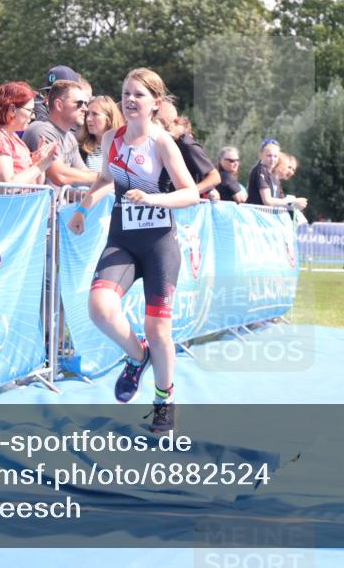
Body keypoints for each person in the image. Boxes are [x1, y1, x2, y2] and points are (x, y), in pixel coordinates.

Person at [67, 68, 198, 433]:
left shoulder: (161, 143)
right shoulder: (113, 137)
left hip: (158, 244)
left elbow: (191, 193)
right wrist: (83, 208)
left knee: (160, 331)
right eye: (125, 93)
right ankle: (137, 356)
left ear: (155, 103)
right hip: (123, 239)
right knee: (100, 309)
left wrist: (155, 198)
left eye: (138, 94)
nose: (129, 99)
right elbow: (107, 178)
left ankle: (164, 401)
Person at [0, 81, 59, 187]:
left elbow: (37, 183)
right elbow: (7, 186)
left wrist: (38, 162)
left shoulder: (14, 139)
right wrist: (40, 166)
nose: (33, 117)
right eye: (30, 110)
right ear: (12, 109)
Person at [22, 79, 98, 188]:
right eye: (80, 103)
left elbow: (83, 172)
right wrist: (103, 178)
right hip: (38, 204)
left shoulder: (70, 137)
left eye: (86, 103)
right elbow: (60, 176)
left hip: (57, 203)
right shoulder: (41, 130)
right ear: (59, 105)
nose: (85, 109)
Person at [159, 115, 220, 199]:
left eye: (166, 127)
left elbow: (215, 177)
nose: (163, 129)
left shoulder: (187, 145)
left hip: (177, 205)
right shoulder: (166, 143)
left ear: (176, 122)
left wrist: (190, 192)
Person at [246, 139, 307, 210]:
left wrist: (294, 204)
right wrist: (292, 202)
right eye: (269, 156)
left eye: (275, 156)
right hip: (256, 216)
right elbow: (267, 201)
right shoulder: (261, 170)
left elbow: (280, 201)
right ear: (261, 155)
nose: (272, 159)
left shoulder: (270, 175)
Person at [78, 95, 124, 172]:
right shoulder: (81, 149)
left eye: (95, 114)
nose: (88, 119)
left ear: (109, 118)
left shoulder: (125, 148)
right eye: (87, 114)